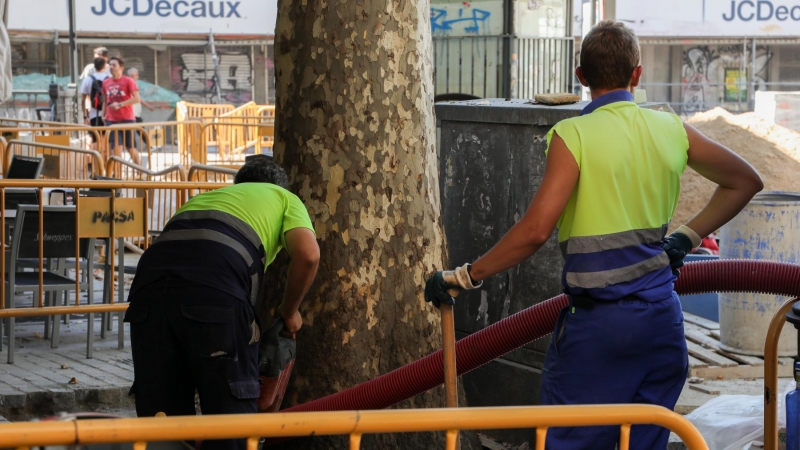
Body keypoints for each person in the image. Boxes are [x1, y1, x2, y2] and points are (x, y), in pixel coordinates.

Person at [424, 20, 763, 450]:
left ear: (581, 77)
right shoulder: (669, 128)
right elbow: (744, 181)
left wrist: (464, 277)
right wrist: (686, 237)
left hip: (600, 333)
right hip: (663, 326)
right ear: (637, 75)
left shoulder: (574, 135)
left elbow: (534, 232)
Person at [124, 157, 319, 450]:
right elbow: (308, 255)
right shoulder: (284, 197)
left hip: (147, 295)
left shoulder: (204, 199)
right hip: (214, 296)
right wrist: (288, 312)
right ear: (279, 186)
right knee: (230, 414)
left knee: (161, 413)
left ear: (238, 185)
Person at [102, 56, 142, 165]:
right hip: (112, 121)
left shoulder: (129, 81)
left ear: (121, 67)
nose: (111, 67)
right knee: (116, 148)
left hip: (127, 119)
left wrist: (120, 104)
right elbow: (106, 101)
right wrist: (104, 114)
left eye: (114, 65)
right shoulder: (106, 83)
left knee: (131, 147)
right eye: (110, 65)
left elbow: (137, 99)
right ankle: (117, 175)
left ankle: (141, 172)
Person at [79, 57, 108, 151]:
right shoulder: (109, 80)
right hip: (107, 114)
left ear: (94, 66)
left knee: (94, 139)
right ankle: (104, 163)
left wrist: (85, 116)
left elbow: (83, 100)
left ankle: (95, 164)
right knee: (104, 139)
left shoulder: (88, 80)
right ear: (105, 66)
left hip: (93, 114)